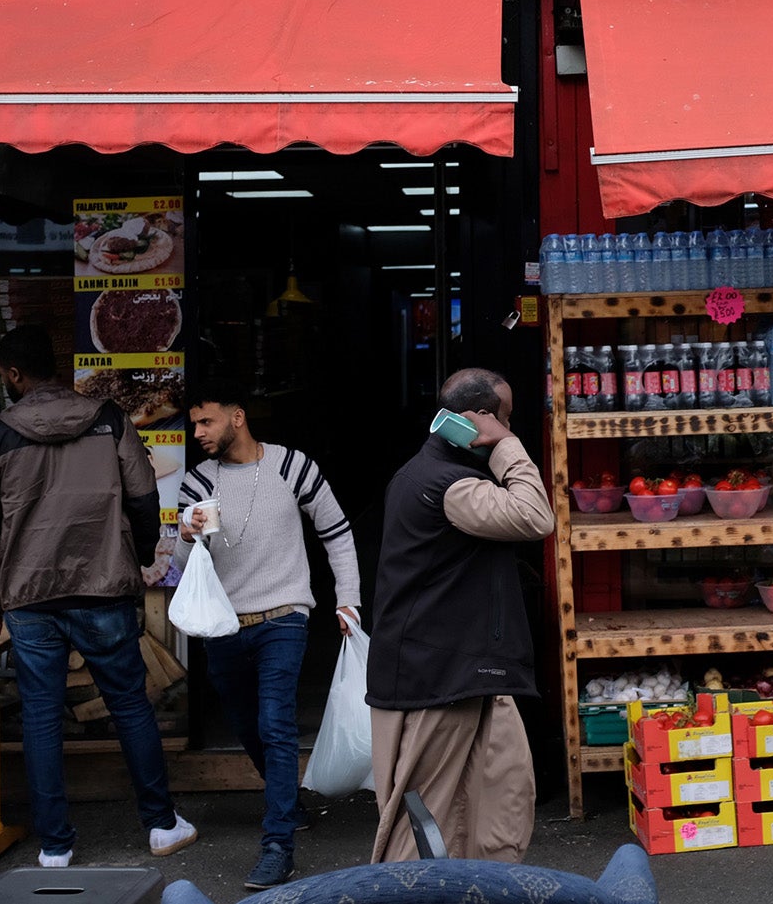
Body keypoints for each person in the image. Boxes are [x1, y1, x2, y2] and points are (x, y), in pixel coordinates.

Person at [0, 325, 197, 868]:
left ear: (14, 375)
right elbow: (143, 499)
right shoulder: (110, 419)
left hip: (28, 595)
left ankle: (54, 846)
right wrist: (137, 557)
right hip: (104, 587)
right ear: (57, 367)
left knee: (41, 717)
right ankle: (161, 826)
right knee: (131, 705)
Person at [172, 387, 363, 890]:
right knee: (247, 725)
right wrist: (187, 535)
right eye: (194, 425)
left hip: (285, 615)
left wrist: (348, 599)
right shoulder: (197, 481)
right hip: (224, 624)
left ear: (237, 417)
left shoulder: (292, 466)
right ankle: (290, 803)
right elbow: (175, 560)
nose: (199, 434)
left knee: (275, 723)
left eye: (207, 422)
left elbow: (336, 531)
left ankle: (277, 844)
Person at [366, 368, 554, 863]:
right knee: (425, 819)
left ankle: (482, 892)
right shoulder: (448, 486)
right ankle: (404, 898)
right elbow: (536, 517)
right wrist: (507, 446)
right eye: (505, 417)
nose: (511, 428)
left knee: (493, 800)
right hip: (439, 678)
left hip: (463, 671)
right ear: (479, 419)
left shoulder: (430, 474)